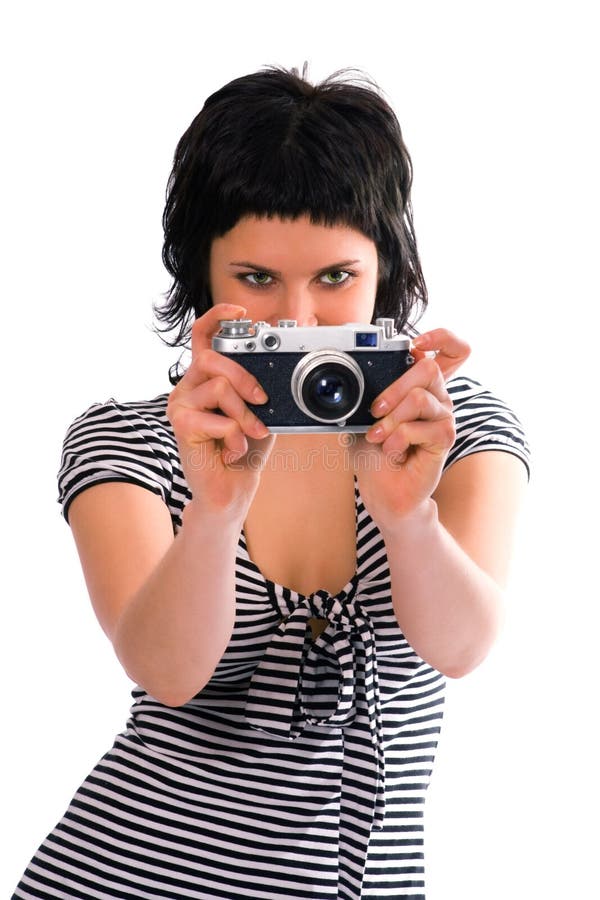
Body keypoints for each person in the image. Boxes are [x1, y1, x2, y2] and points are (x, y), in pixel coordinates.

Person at [13, 65, 529, 900]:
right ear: (201, 278)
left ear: (385, 270)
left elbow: (462, 648)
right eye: (256, 279)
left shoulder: (448, 430)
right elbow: (167, 671)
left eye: (335, 278)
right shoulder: (132, 444)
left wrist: (408, 519)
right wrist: (214, 514)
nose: (298, 319)